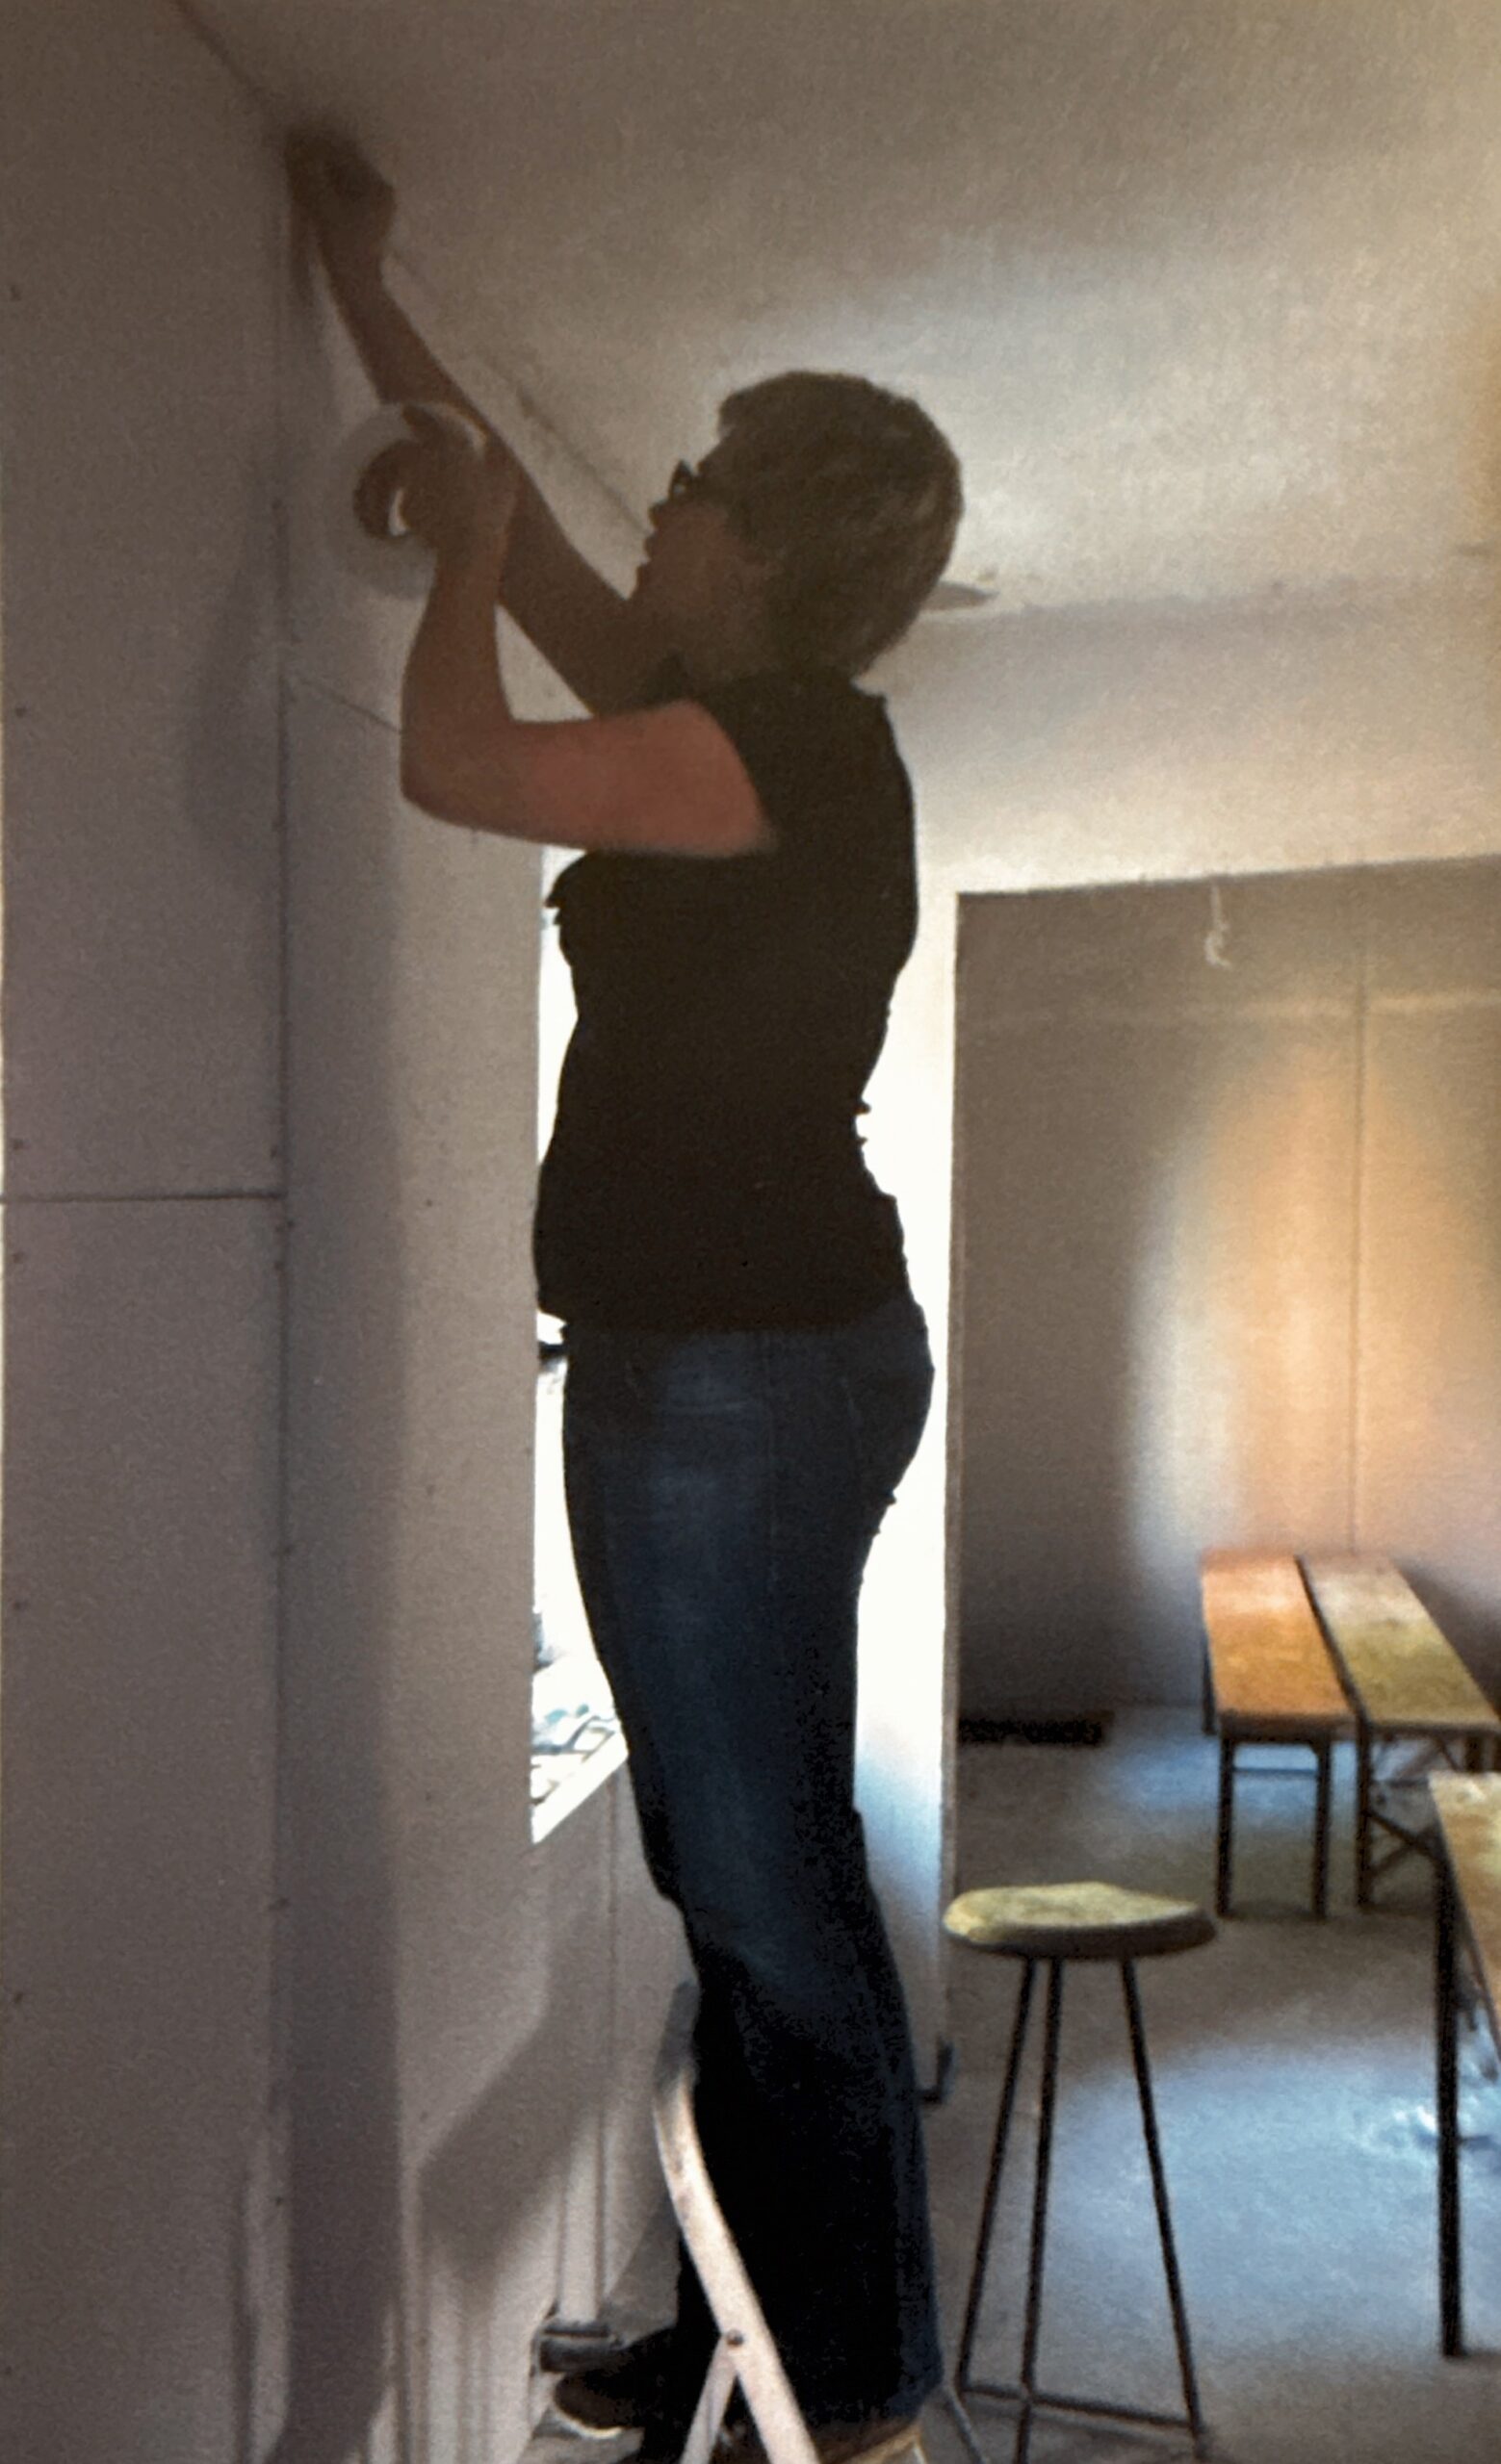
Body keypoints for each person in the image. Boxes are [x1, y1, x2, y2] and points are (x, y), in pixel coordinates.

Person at [288, 132, 963, 2464]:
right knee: (732, 1865)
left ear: (766, 545)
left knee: (760, 1880)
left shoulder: (792, 745)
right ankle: (748, 2327)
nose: (657, 507)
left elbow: (455, 759)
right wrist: (367, 287)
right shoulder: (720, 718)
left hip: (746, 1374)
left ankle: (852, 2374)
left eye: (693, 484)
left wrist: (466, 558)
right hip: (733, 1364)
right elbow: (527, 537)